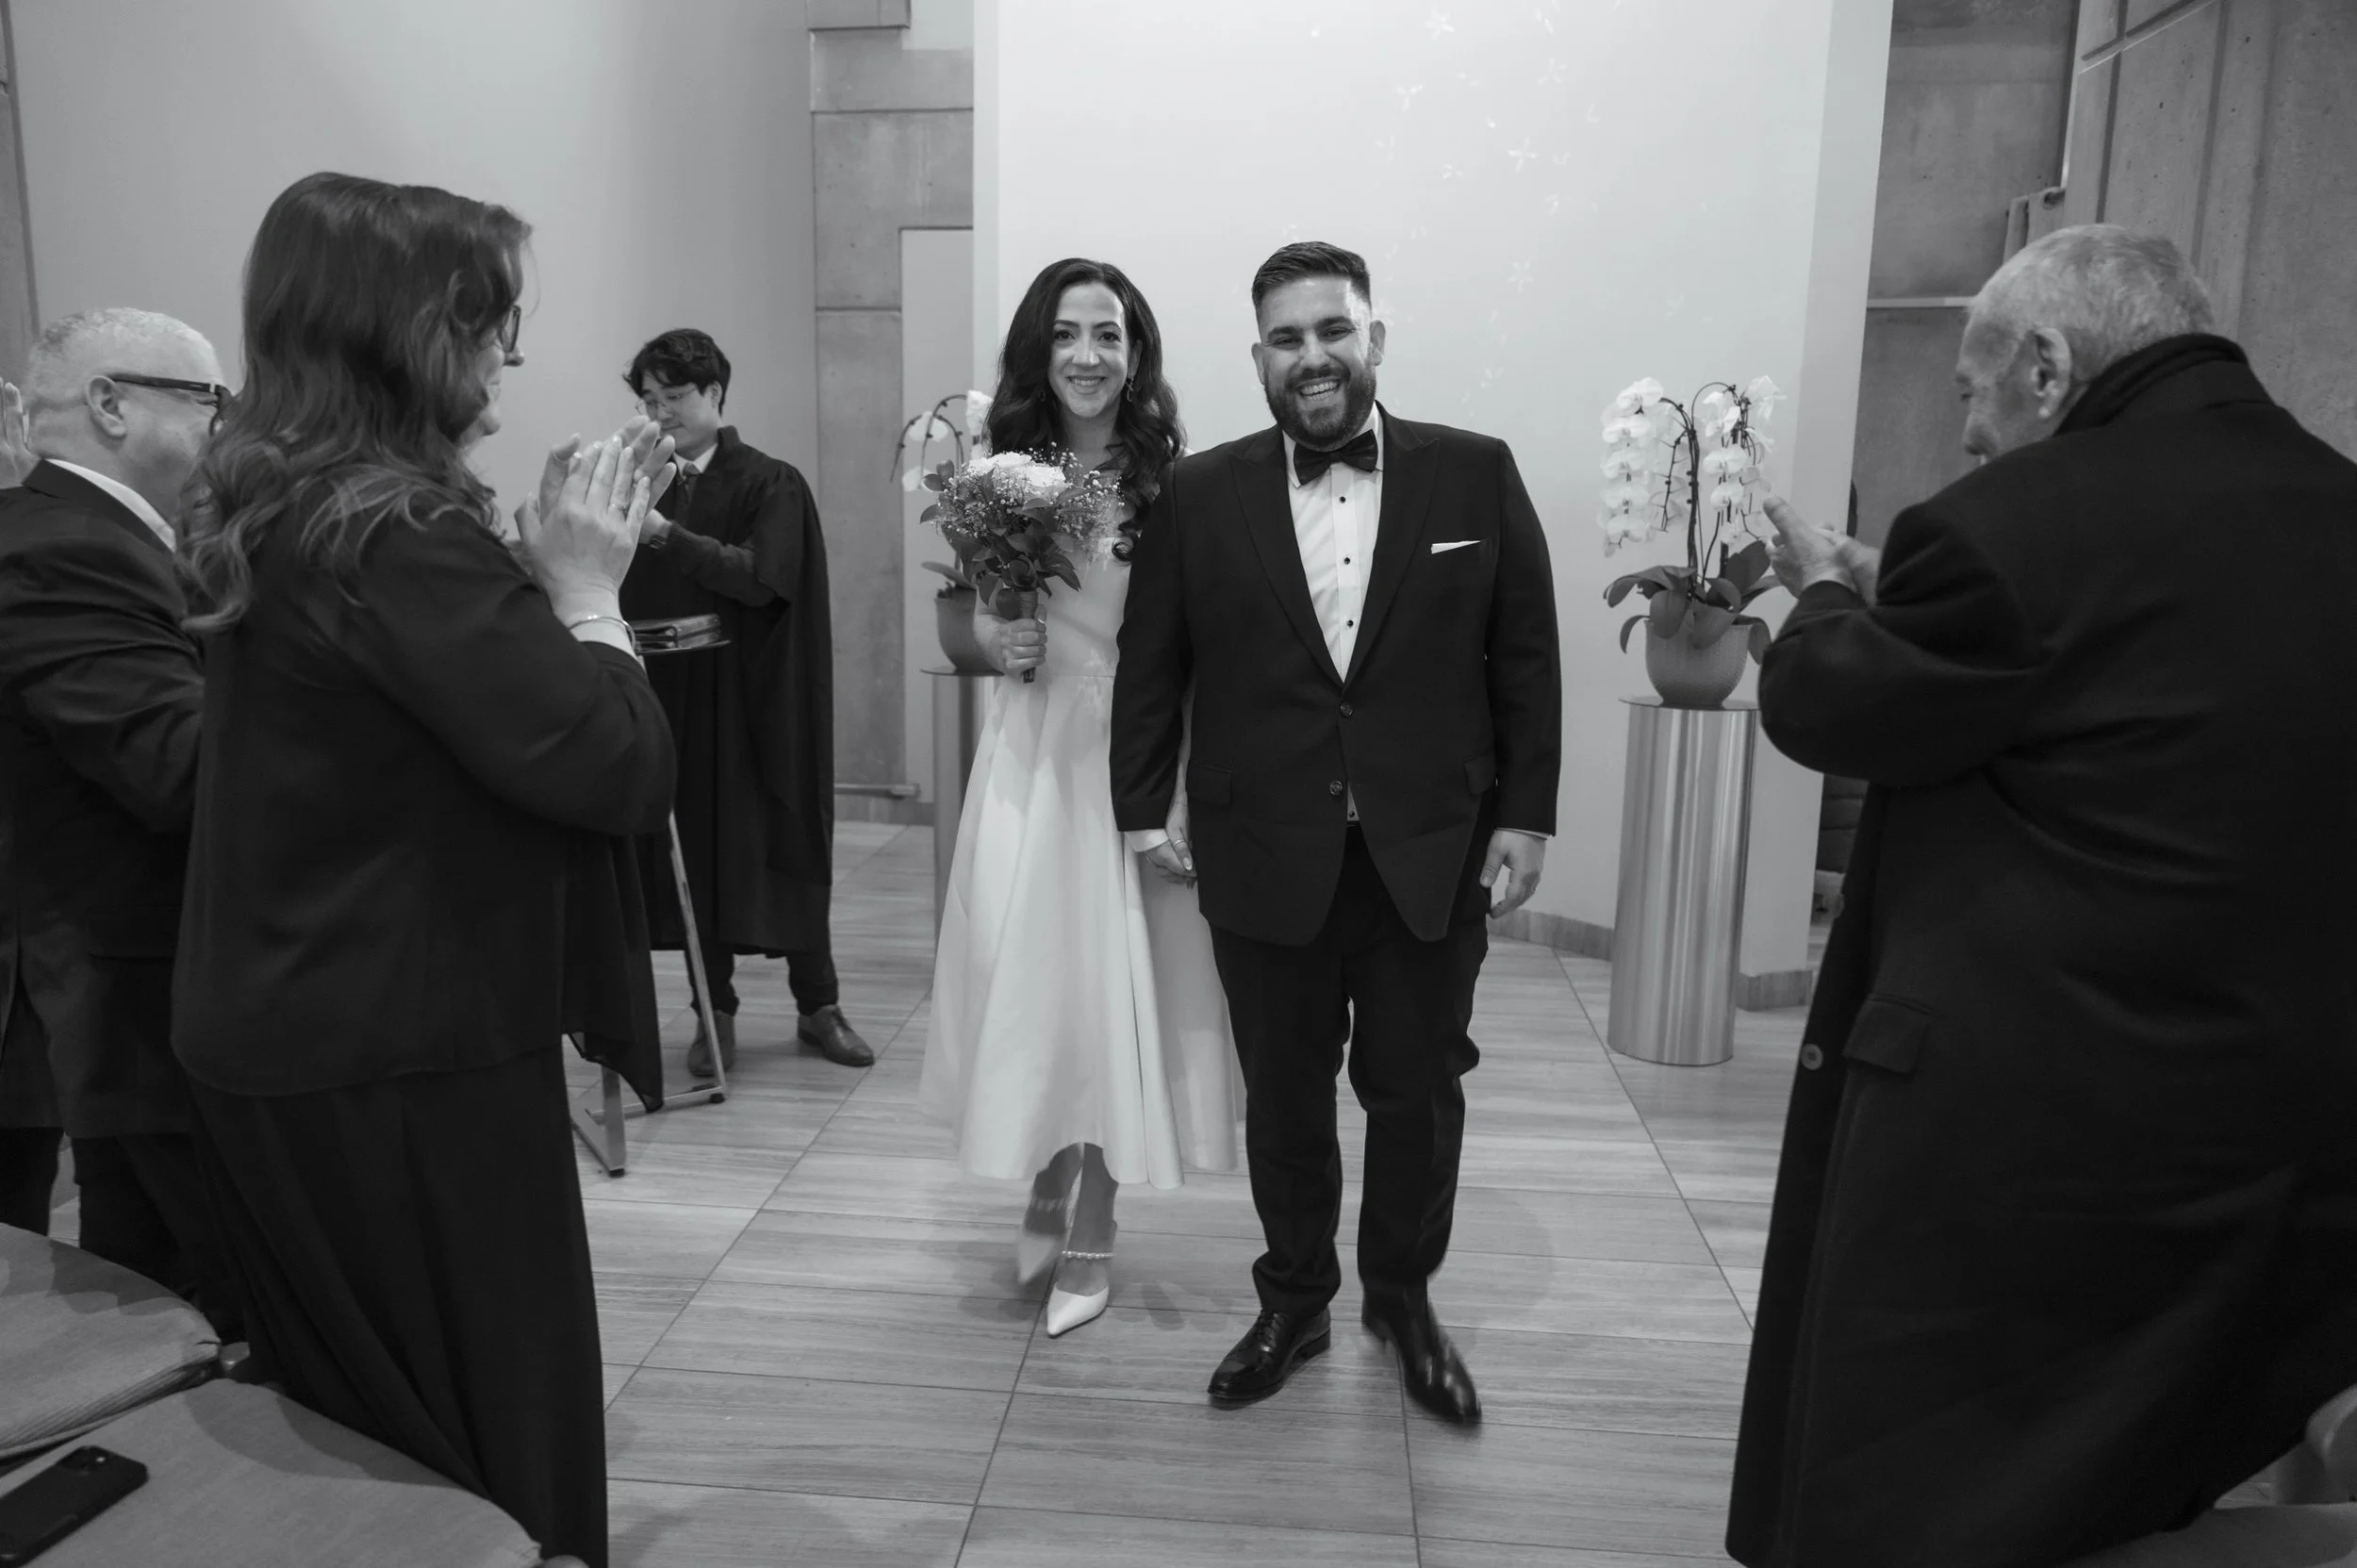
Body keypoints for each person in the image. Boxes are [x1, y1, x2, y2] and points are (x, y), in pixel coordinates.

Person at [1730, 224, 2357, 1567]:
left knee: (1938, 1482)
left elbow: (1832, 701)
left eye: (1968, 390)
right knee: (2139, 1461)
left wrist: (1828, 593)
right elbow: (2114, 668)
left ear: (2048, 364)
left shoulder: (2011, 524)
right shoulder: (2332, 504)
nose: (1963, 435)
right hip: (2277, 1127)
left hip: (2028, 1132)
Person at [172, 172, 676, 1568]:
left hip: (289, 1025)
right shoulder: (392, 531)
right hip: (396, 1046)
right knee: (483, 1433)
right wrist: (585, 595)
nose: (508, 350)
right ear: (402, 327)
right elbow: (612, 763)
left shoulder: (279, 501)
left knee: (365, 1423)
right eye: (489, 318)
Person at [1110, 241, 1561, 1425]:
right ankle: (1295, 1298)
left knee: (1415, 1089)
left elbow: (1525, 658)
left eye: (1331, 330)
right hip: (1259, 848)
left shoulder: (1474, 473)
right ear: (1257, 354)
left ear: (1373, 336)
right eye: (1285, 337)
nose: (1311, 355)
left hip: (1429, 848)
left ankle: (1402, 1301)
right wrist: (1134, 807)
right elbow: (1150, 670)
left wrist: (1526, 813)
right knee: (1287, 1096)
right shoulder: (1200, 494)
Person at [919, 257, 1238, 1337]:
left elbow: (1203, 646)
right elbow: (957, 619)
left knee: (1112, 985)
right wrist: (991, 636)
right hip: (1026, 751)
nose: (1086, 356)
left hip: (1130, 752)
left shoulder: (1176, 482)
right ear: (1037, 349)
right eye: (1066, 335)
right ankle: (1047, 1180)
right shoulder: (1001, 469)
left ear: (1135, 351)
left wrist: (1182, 786)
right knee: (1034, 972)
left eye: (1108, 334)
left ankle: (1091, 1218)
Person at [0, 311, 241, 1329]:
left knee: (141, 1281)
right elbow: (178, 768)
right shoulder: (63, 545)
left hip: (124, 991)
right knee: (173, 1299)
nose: (225, 430)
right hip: (120, 985)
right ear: (110, 404)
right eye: (208, 402)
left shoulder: (103, 538)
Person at [619, 329, 867, 1079]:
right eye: (649, 399)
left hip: (758, 695)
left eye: (676, 396)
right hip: (673, 694)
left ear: (716, 394)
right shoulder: (636, 482)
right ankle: (712, 1008)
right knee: (690, 851)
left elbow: (761, 579)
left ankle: (818, 1002)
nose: (662, 413)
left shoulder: (770, 481)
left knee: (784, 836)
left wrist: (665, 534)